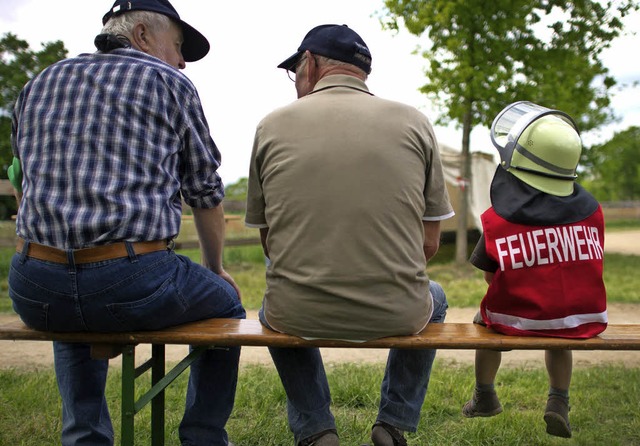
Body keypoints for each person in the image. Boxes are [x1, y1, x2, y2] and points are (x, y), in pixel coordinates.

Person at [8, 1, 245, 445]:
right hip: (131, 282)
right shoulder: (170, 83)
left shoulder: (39, 82)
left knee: (69, 306)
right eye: (177, 47)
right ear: (141, 35)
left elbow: (20, 177)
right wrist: (214, 271)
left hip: (34, 286)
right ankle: (203, 437)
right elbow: (205, 194)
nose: (180, 60)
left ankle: (84, 437)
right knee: (227, 303)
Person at [245, 24, 454, 446]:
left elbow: (270, 243)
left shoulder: (271, 125)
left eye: (295, 71)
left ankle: (316, 427)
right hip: (399, 310)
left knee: (272, 307)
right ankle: (393, 423)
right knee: (438, 297)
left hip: (296, 311)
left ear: (309, 64)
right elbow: (430, 244)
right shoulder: (415, 122)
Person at [461, 101, 608, 438]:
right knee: (560, 332)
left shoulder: (498, 220)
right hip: (580, 318)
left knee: (484, 325)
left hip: (516, 318)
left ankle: (485, 395)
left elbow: (490, 277)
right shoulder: (593, 213)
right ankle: (558, 399)